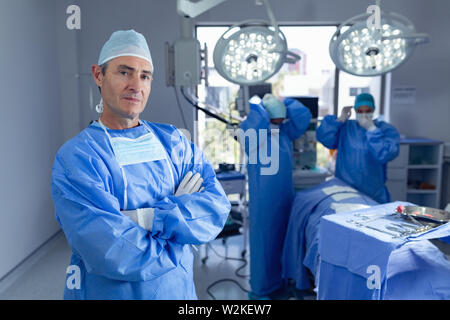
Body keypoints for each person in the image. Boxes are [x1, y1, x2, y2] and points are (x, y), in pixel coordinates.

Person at [51, 30, 231, 300]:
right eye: (124, 73)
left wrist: (147, 218)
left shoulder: (174, 142)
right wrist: (178, 235)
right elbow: (112, 250)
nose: (136, 85)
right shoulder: (78, 157)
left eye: (145, 76)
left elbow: (215, 208)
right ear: (98, 75)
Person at [240, 94, 312, 299]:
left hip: (284, 197)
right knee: (264, 243)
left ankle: (282, 279)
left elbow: (303, 117)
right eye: (277, 118)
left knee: (284, 239)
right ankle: (262, 287)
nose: (281, 122)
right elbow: (249, 128)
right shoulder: (255, 136)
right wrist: (261, 108)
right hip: (264, 199)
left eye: (283, 118)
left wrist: (286, 102)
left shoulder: (284, 133)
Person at [316, 92, 400, 203]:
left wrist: (372, 130)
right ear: (355, 111)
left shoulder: (384, 129)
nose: (364, 114)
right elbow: (325, 138)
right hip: (346, 190)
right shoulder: (346, 128)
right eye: (360, 111)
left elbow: (385, 155)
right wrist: (339, 120)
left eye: (368, 111)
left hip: (373, 191)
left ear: (373, 110)